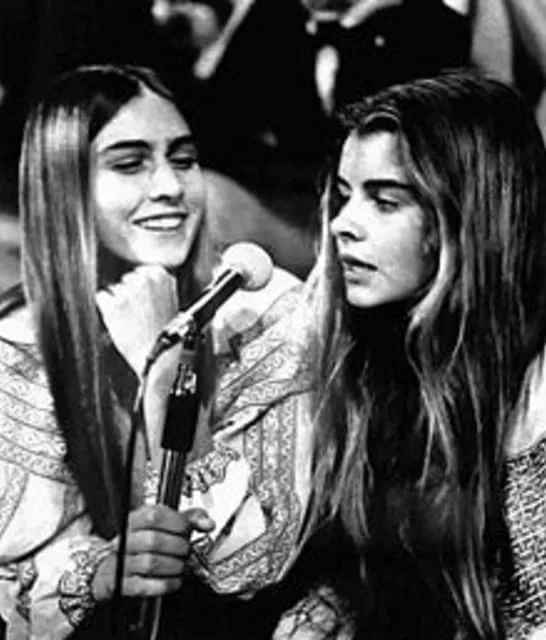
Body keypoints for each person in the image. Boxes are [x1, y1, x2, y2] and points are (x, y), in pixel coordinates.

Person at [0, 64, 313, 639]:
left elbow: (250, 564)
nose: (170, 186)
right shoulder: (17, 347)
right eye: (129, 164)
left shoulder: (261, 312)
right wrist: (98, 574)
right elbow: (12, 585)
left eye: (184, 159)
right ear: (62, 186)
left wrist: (166, 361)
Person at [272, 70, 546, 639]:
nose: (342, 224)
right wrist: (329, 610)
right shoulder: (384, 364)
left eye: (385, 201)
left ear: (468, 215)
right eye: (344, 196)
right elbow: (399, 577)